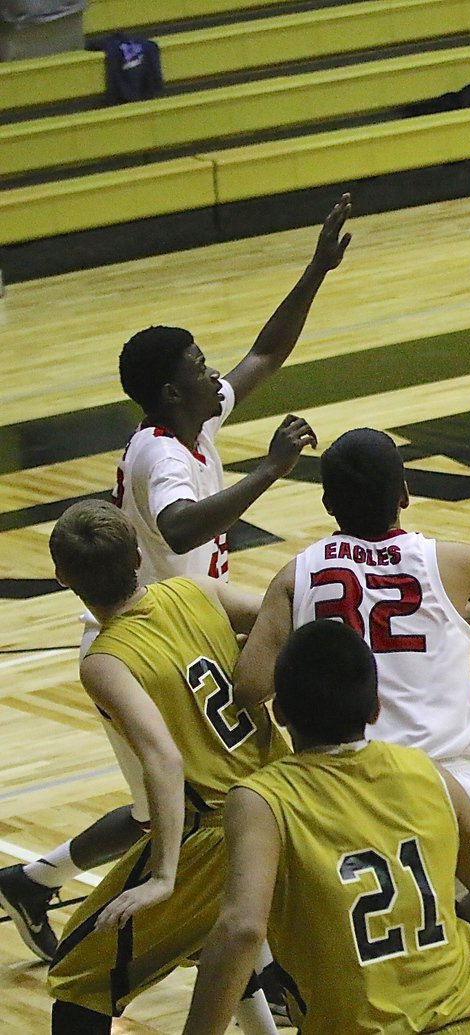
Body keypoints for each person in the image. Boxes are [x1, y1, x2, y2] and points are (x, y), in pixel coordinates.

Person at [0, 196, 348, 962]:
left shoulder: (198, 417)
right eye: (197, 365)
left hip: (193, 629)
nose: (212, 370)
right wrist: (270, 471)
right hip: (141, 647)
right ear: (168, 393)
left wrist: (316, 270)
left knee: (197, 799)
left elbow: (266, 354)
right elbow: (185, 525)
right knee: (185, 806)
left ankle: (35, 878)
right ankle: (237, 953)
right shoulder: (161, 452)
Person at [232, 428, 470, 1035]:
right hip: (455, 785)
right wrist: (466, 611)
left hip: (343, 795)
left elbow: (250, 686)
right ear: (405, 492)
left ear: (327, 504)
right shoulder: (454, 562)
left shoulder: (297, 575)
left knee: (356, 962)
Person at [182, 619, 470, 1035]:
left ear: (277, 711)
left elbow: (242, 929)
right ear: (375, 708)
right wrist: (409, 943)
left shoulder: (261, 799)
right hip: (461, 1022)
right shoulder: (432, 775)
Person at [41, 500, 286, 1035]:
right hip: (290, 795)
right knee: (213, 935)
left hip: (221, 828)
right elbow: (285, 618)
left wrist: (163, 875)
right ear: (136, 554)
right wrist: (248, 660)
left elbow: (163, 757)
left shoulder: (104, 661)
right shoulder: (197, 590)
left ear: (62, 577)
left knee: (80, 974)